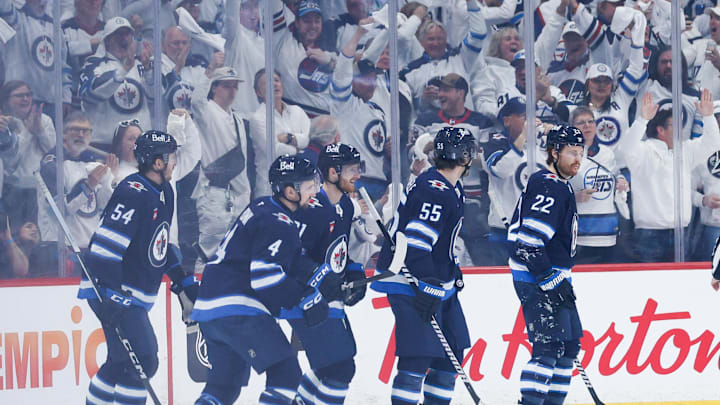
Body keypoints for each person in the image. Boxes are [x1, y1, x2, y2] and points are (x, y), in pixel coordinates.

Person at [190, 155, 331, 405]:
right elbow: (266, 278)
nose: (316, 191)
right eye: (310, 186)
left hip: (210, 307)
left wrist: (321, 277)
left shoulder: (262, 207)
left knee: (224, 385)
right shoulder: (280, 223)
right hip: (239, 308)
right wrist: (305, 298)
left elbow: (289, 260)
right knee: (286, 374)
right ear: (290, 191)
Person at [79, 130, 199, 405]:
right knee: (143, 359)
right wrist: (113, 294)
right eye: (171, 157)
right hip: (110, 289)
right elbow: (105, 248)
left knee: (122, 360)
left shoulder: (165, 191)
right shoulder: (134, 192)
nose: (174, 162)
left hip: (126, 293)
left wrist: (182, 281)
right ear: (157, 162)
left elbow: (158, 243)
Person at [371, 127, 475, 405]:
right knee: (418, 356)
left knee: (451, 353)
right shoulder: (435, 190)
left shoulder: (447, 185)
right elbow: (416, 245)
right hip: (411, 283)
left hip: (437, 283)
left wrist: (449, 272)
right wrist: (428, 283)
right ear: (465, 156)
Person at [507, 125, 585, 405]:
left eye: (581, 152)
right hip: (538, 278)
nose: (578, 158)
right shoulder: (549, 184)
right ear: (554, 152)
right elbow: (528, 243)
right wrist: (551, 281)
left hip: (553, 277)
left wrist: (557, 280)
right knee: (549, 347)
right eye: (572, 152)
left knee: (568, 347)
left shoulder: (559, 185)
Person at [290, 143, 368, 404]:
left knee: (330, 367)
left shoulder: (345, 206)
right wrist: (322, 277)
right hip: (307, 298)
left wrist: (353, 270)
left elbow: (338, 251)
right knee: (340, 369)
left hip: (328, 298)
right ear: (333, 172)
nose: (357, 174)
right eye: (351, 169)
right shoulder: (310, 209)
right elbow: (293, 257)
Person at [619, 90, 720, 262]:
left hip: (681, 232)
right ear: (661, 130)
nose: (681, 131)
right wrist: (642, 119)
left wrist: (709, 117)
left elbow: (712, 144)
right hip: (649, 235)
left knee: (679, 286)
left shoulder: (685, 150)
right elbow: (626, 147)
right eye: (676, 127)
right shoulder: (644, 151)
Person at [412, 73, 493, 265]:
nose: (441, 94)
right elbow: (413, 154)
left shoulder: (481, 122)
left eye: (446, 90)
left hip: (471, 201)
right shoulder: (425, 120)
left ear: (461, 93)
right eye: (440, 90)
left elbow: (488, 161)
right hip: (434, 197)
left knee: (480, 255)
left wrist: (450, 152)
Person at [568, 106, 629, 263]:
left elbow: (615, 174)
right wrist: (574, 196)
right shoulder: (565, 155)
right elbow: (553, 192)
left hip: (608, 233)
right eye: (581, 123)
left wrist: (621, 180)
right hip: (580, 236)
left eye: (590, 121)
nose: (587, 126)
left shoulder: (606, 153)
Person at [79, 17, 154, 145]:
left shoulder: (141, 65)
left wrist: (148, 69)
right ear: (107, 41)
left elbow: (155, 97)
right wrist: (123, 70)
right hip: (105, 146)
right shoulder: (94, 64)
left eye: (127, 34)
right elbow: (89, 94)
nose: (124, 39)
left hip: (140, 145)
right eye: (119, 35)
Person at [249, 69, 311, 197]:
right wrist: (297, 147)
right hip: (270, 190)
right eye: (268, 82)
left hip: (298, 187)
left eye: (276, 80)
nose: (274, 84)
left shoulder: (297, 111)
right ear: (258, 92)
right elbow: (276, 151)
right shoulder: (258, 118)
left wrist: (287, 138)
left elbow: (308, 141)